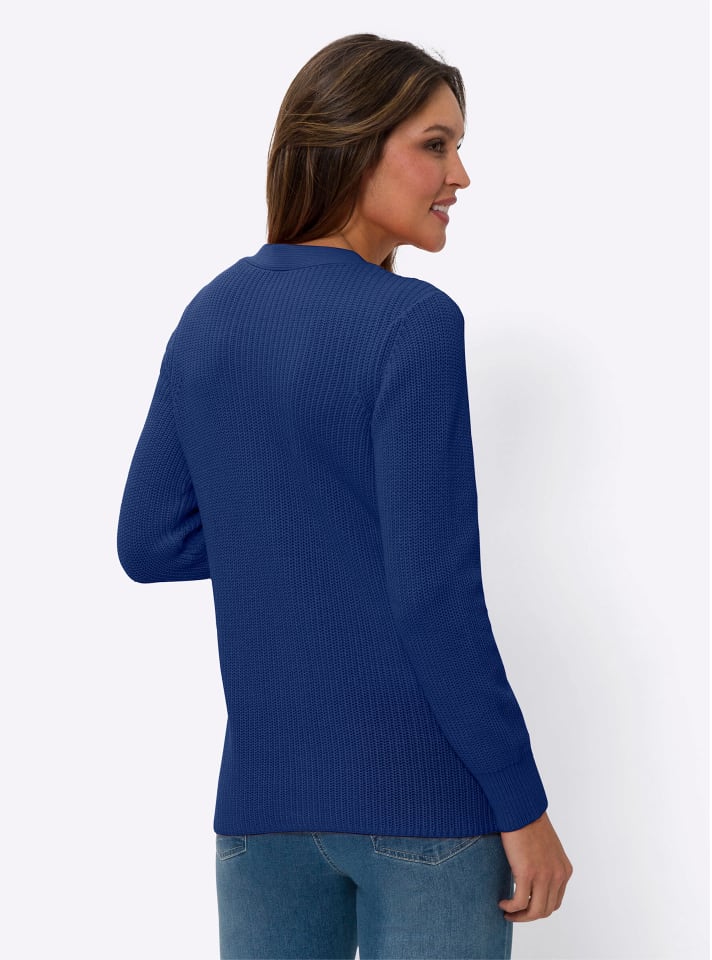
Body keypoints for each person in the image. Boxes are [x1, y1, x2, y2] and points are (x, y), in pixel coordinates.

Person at [117, 33, 573, 960]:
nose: (460, 175)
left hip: (262, 813)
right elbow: (434, 597)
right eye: (436, 145)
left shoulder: (212, 314)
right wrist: (523, 807)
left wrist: (289, 524)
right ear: (355, 146)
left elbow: (150, 540)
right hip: (425, 807)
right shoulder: (412, 323)